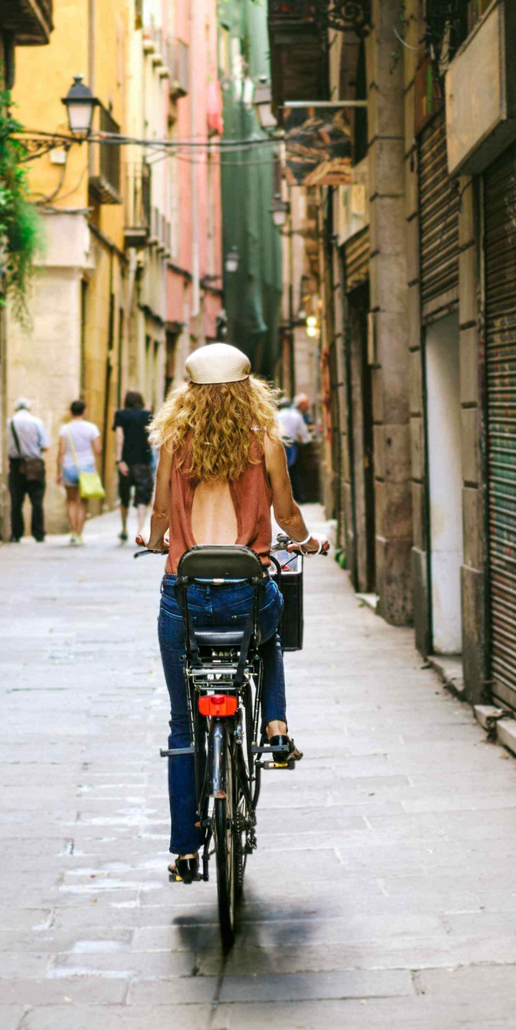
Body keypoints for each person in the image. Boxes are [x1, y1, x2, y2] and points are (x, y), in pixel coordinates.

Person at [143, 343, 326, 883]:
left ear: (189, 396)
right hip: (245, 592)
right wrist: (308, 541)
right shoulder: (264, 440)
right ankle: (274, 724)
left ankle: (184, 851)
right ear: (250, 391)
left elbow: (158, 513)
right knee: (269, 632)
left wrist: (156, 540)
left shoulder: (175, 442)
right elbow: (288, 512)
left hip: (186, 593)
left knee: (182, 724)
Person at [54, 399, 102, 545]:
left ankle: (73, 532)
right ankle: (80, 533)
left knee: (71, 500)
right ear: (84, 411)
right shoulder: (92, 428)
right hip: (86, 467)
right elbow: (98, 450)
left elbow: (61, 452)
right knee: (83, 501)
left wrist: (58, 472)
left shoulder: (65, 429)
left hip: (69, 467)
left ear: (71, 412)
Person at [112, 390, 154, 545]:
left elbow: (120, 437)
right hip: (143, 461)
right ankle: (140, 530)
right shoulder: (147, 414)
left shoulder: (121, 415)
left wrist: (119, 460)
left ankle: (124, 529)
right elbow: (151, 439)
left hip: (127, 462)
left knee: (124, 496)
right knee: (142, 496)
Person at [6, 398, 51, 543]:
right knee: (37, 500)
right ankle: (38, 533)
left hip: (16, 465)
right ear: (29, 408)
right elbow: (45, 445)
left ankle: (16, 533)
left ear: (15, 408)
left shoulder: (9, 422)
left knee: (16, 501)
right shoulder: (37, 422)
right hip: (34, 464)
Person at [274, 394, 313, 472]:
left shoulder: (276, 415)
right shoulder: (296, 415)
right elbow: (303, 433)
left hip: (277, 443)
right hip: (291, 444)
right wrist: (308, 439)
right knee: (291, 469)